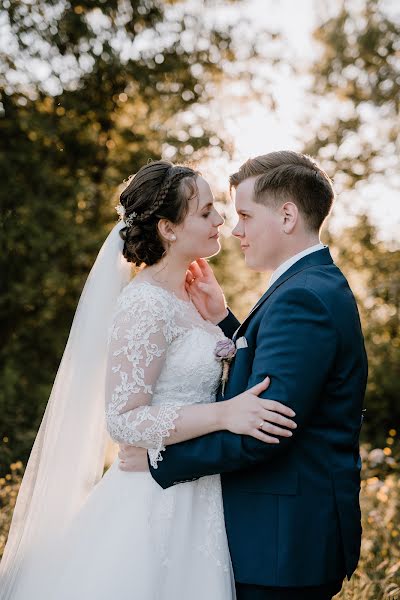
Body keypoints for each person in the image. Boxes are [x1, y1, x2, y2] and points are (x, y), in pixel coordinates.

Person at [0, 160, 297, 600]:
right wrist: (224, 414)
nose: (221, 220)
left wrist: (222, 319)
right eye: (206, 211)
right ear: (168, 229)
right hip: (155, 502)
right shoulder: (144, 305)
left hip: (202, 493)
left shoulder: (193, 297)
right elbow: (123, 419)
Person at [121, 151, 368, 600]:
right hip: (276, 537)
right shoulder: (309, 285)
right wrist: (225, 323)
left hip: (280, 545)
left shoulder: (304, 297)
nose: (235, 229)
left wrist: (161, 461)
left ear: (288, 216)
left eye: (246, 215)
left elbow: (266, 427)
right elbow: (270, 377)